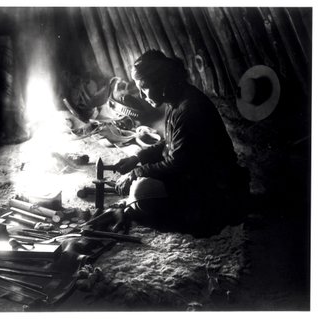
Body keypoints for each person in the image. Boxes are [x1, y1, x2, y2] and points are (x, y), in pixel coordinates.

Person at [96, 50, 250, 237]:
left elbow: (178, 163)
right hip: (191, 174)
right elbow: (170, 144)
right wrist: (137, 158)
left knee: (141, 192)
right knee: (144, 180)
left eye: (144, 88)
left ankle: (198, 216)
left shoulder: (190, 109)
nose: (143, 96)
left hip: (212, 185)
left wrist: (136, 173)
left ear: (161, 82)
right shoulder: (176, 101)